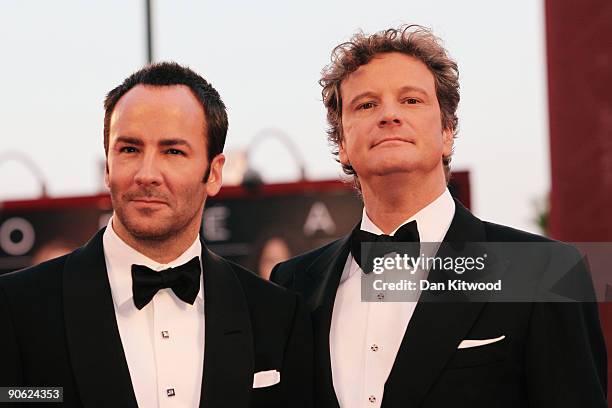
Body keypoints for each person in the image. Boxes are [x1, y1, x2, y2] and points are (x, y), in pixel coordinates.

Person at [270, 26, 606, 407]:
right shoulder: (294, 282)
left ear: (447, 132)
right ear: (343, 145)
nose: (389, 115)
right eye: (366, 104)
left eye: (411, 101)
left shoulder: (545, 272)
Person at [0, 62, 313, 408]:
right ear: (107, 165)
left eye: (173, 151)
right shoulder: (16, 309)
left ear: (214, 172)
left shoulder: (276, 314)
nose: (147, 174)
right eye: (130, 149)